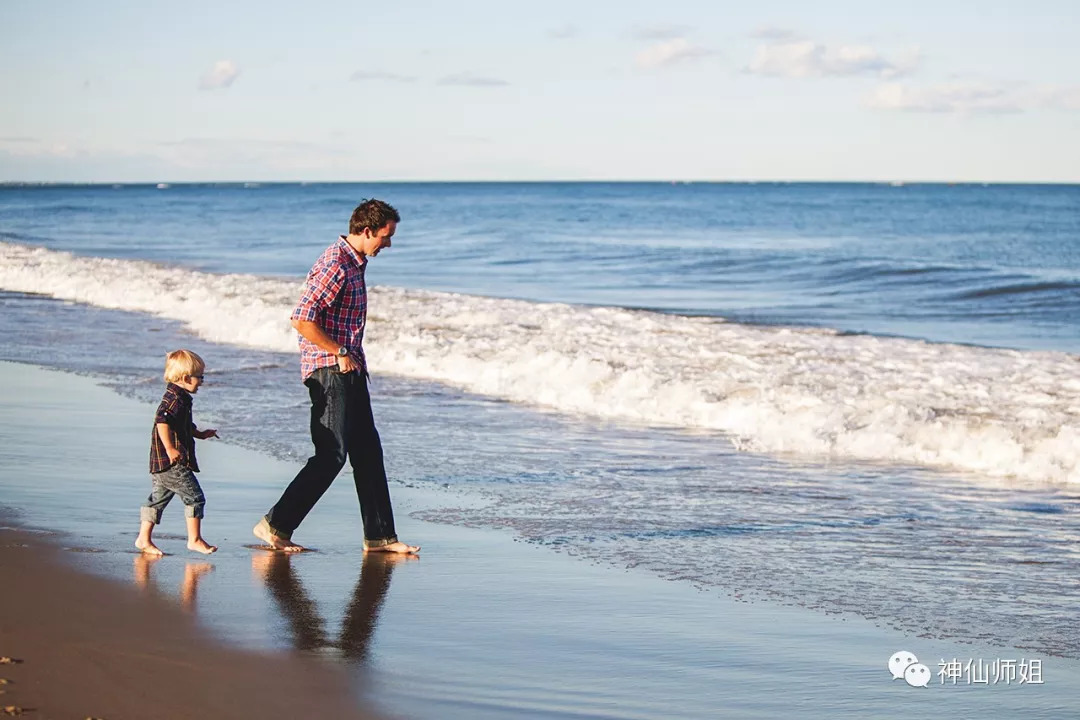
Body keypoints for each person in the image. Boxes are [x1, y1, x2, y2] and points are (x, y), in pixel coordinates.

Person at [254, 199, 419, 554]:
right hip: (330, 369)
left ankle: (380, 537)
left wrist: (349, 356)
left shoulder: (354, 263)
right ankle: (276, 525)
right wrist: (339, 351)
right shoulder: (336, 264)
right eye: (385, 237)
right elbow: (301, 317)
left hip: (350, 366)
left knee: (368, 453)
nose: (388, 244)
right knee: (332, 453)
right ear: (366, 231)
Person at [136, 349, 219, 556]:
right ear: (185, 378)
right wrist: (171, 448)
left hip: (160, 463)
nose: (201, 381)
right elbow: (162, 422)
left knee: (157, 499)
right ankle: (195, 539)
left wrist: (199, 434)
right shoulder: (174, 399)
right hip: (171, 462)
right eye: (199, 377)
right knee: (195, 497)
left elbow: (180, 424)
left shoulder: (179, 397)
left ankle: (143, 539)